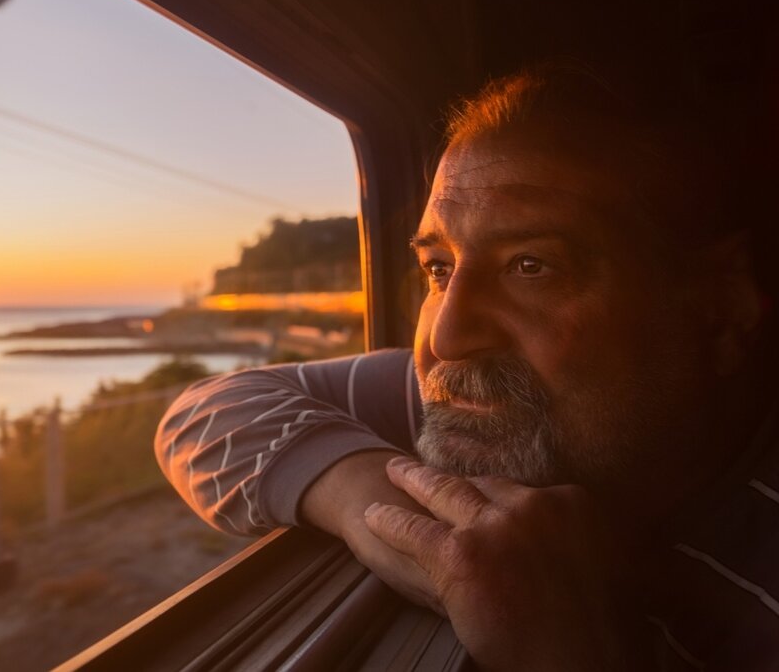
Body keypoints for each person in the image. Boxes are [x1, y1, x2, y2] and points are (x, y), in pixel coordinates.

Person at [155, 64, 778, 670]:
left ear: (718, 316)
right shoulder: (481, 402)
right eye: (438, 269)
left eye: (531, 266)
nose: (447, 338)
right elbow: (204, 412)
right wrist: (376, 504)